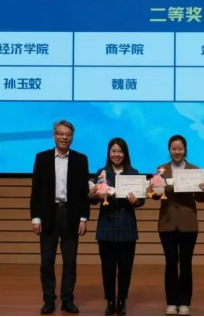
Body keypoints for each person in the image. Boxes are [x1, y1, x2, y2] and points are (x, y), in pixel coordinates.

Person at [30, 120, 90, 315]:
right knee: (47, 262)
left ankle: (67, 300)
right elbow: (36, 191)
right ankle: (48, 300)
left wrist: (83, 218)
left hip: (70, 215)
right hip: (49, 214)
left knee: (70, 262)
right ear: (54, 136)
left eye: (68, 134)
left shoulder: (80, 159)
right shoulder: (42, 158)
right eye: (60, 134)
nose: (64, 137)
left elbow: (83, 192)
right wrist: (35, 218)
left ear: (72, 137)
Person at [152, 135, 204, 316]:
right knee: (170, 262)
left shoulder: (195, 170)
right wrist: (160, 189)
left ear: (185, 150)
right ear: (169, 150)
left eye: (180, 149)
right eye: (173, 149)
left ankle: (184, 302)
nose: (177, 152)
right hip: (167, 222)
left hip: (188, 223)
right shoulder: (161, 170)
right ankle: (171, 302)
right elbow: (155, 195)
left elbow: (200, 199)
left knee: (186, 263)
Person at [90, 138, 144, 316]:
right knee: (108, 267)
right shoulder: (102, 173)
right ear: (109, 153)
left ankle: (121, 300)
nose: (117, 154)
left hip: (127, 224)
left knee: (126, 267)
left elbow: (141, 200)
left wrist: (136, 201)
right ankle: (110, 301)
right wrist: (93, 195)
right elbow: (93, 200)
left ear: (125, 153)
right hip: (107, 224)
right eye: (113, 151)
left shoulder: (133, 173)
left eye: (120, 151)